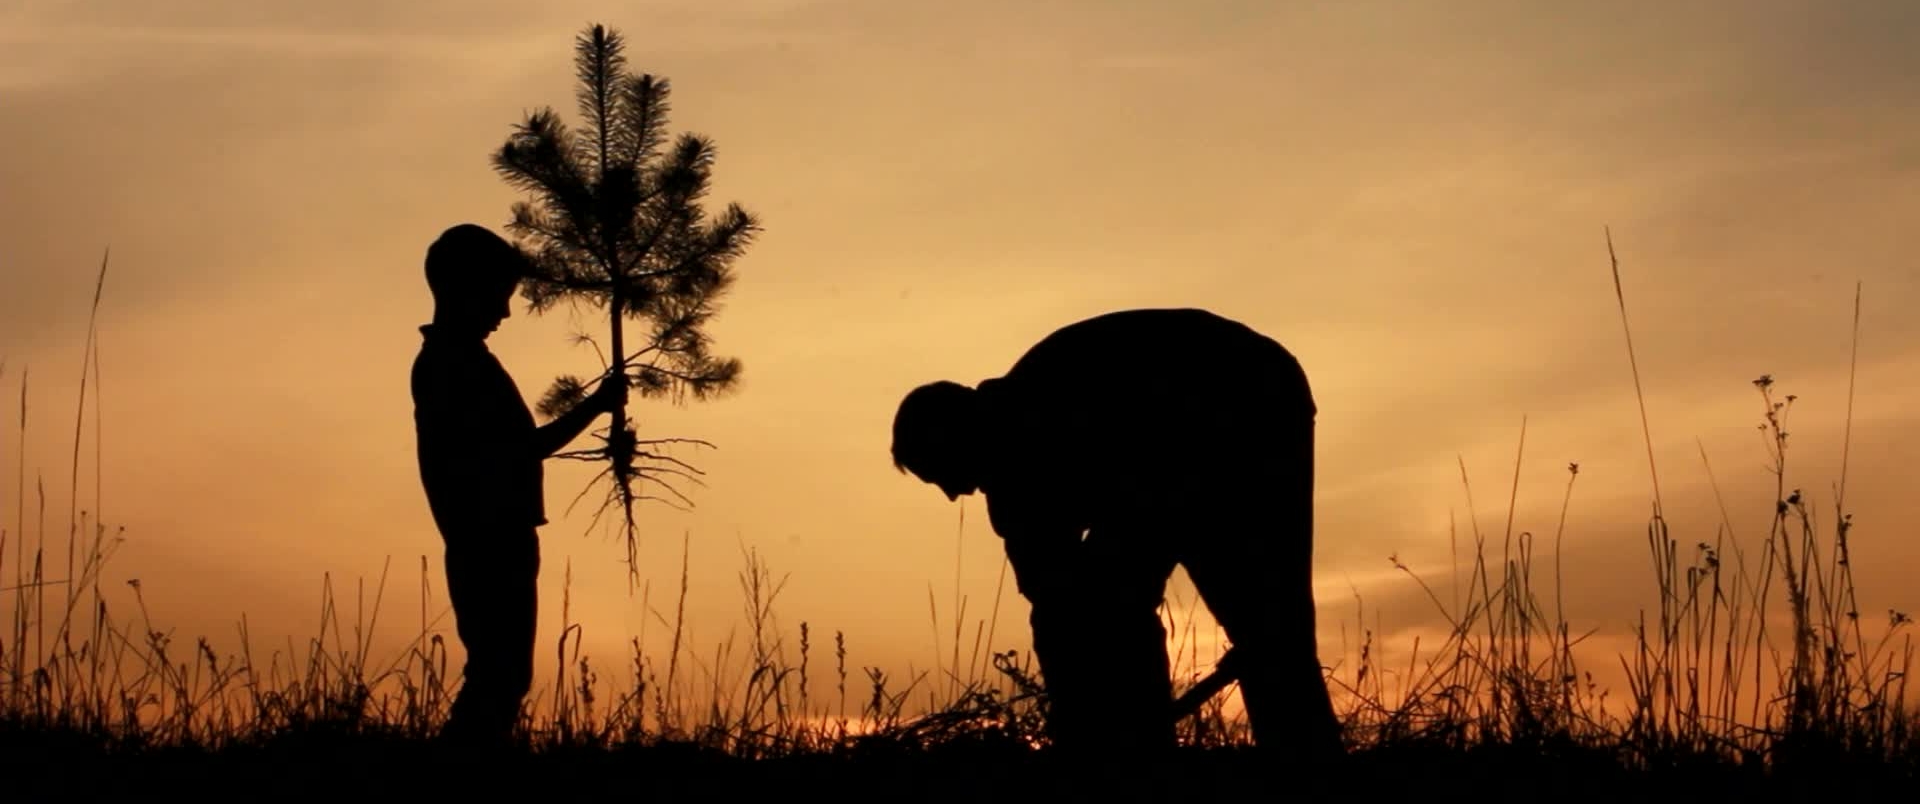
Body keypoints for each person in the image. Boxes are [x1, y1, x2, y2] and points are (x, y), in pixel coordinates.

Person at [890, 307, 1341, 760]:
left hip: (1243, 396)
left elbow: (1071, 601)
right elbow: (1056, 600)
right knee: (1247, 622)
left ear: (954, 437)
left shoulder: (1035, 424)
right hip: (1220, 408)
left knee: (1260, 620)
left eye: (939, 473)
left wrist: (1085, 718)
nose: (952, 494)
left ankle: (1294, 764)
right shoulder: (1018, 439)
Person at [410, 223, 626, 748]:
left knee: (500, 673)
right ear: (464, 289)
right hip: (489, 538)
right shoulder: (456, 366)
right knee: (499, 674)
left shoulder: (455, 361)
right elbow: (520, 448)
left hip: (487, 536)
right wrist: (597, 407)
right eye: (498, 295)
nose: (505, 313)